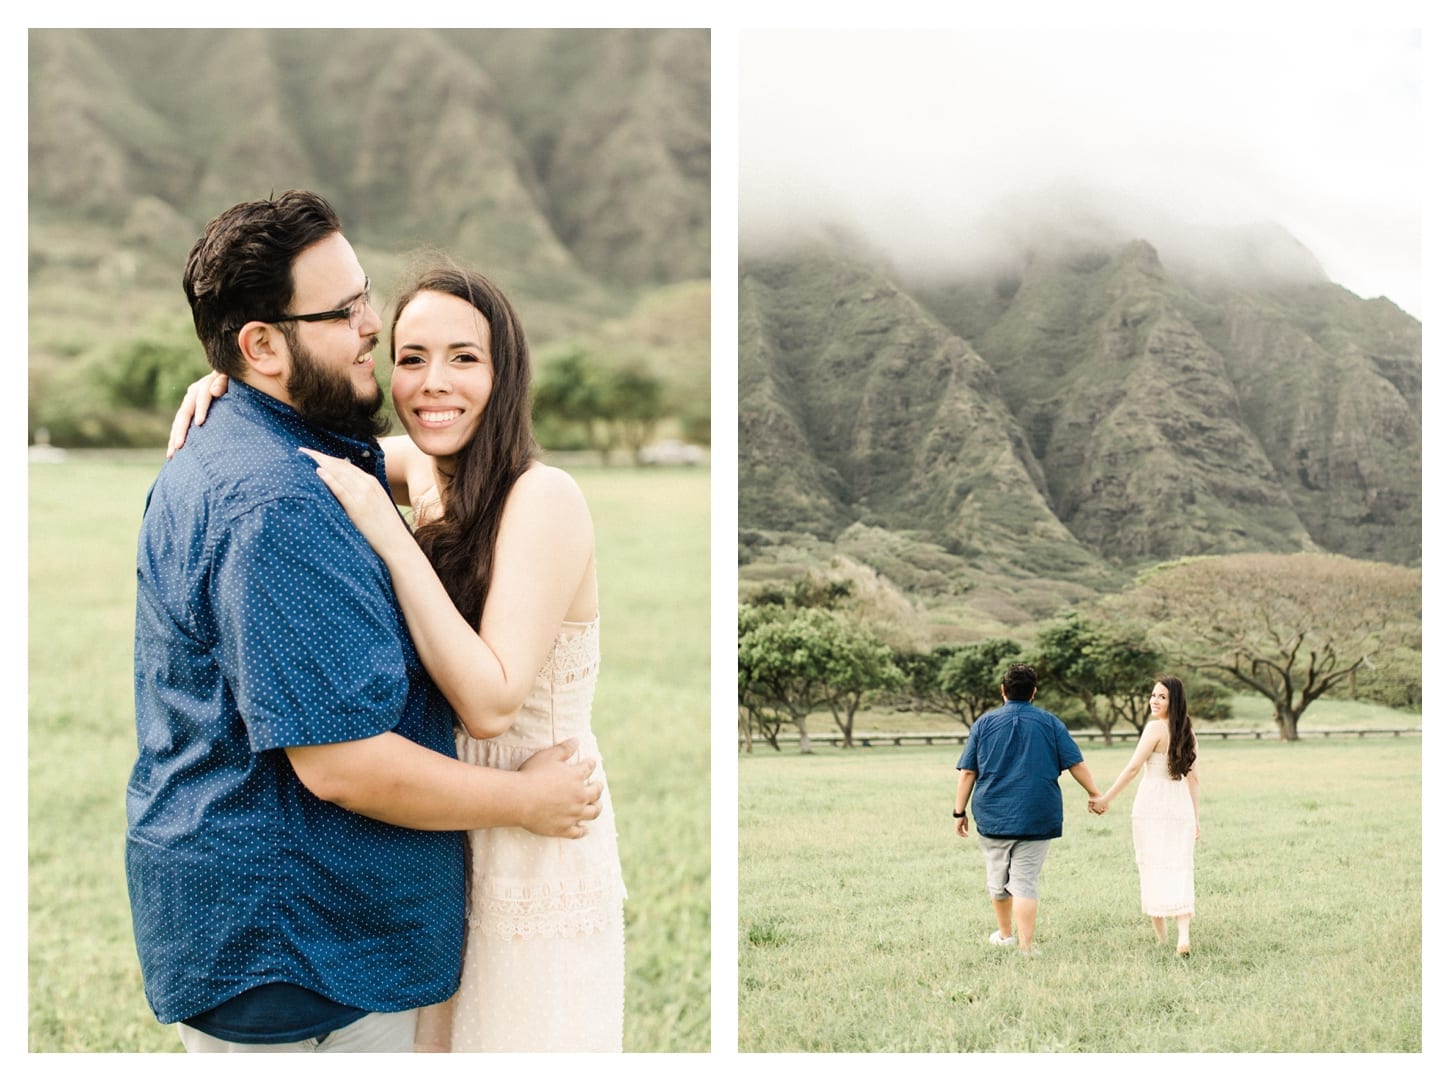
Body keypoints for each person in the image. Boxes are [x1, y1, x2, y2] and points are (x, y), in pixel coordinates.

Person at [130, 191, 602, 1054]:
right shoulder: (299, 494)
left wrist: (237, 388)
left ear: (507, 371)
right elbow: (344, 765)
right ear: (264, 343)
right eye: (355, 317)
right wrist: (228, 382)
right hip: (330, 924)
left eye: (465, 356)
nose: (376, 334)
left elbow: (491, 694)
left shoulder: (495, 490)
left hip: (501, 837)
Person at [953, 663, 1100, 954]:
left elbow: (968, 772)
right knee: (1025, 881)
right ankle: (1026, 946)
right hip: (1038, 812)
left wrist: (959, 812)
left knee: (997, 878)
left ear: (1003, 691)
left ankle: (1005, 935)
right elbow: (1076, 764)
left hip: (993, 814)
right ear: (1034, 692)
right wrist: (1094, 793)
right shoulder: (1050, 722)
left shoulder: (983, 724)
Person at [1088, 676, 1200, 955]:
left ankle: (1163, 938)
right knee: (1179, 866)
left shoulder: (1154, 729)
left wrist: (1105, 798)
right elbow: (1193, 780)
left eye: (1162, 696)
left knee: (1151, 864)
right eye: (1153, 695)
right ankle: (1181, 936)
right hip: (1180, 804)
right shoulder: (1188, 731)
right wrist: (1195, 819)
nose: (1154, 700)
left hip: (1152, 804)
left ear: (1173, 700)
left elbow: (1133, 768)